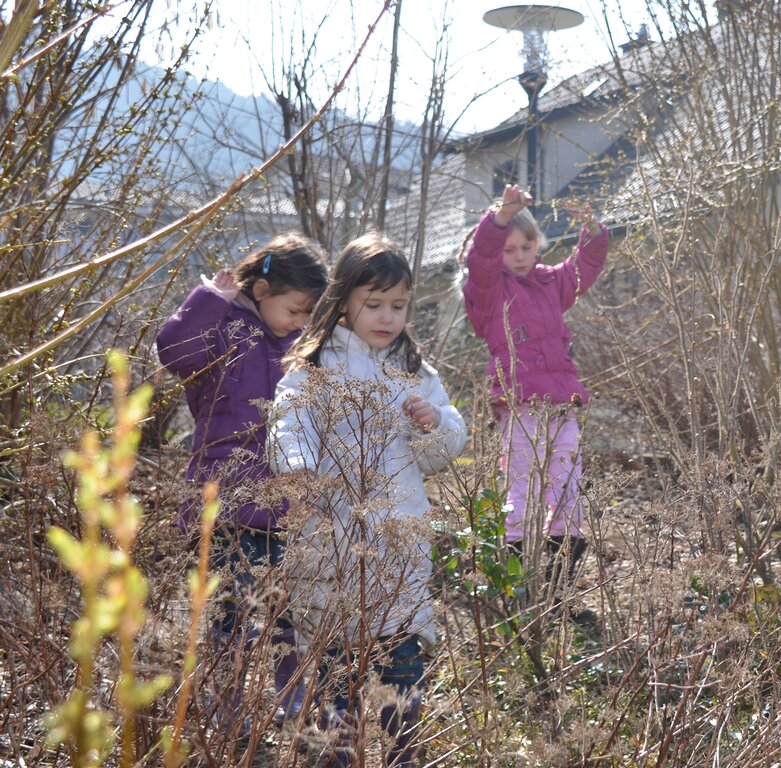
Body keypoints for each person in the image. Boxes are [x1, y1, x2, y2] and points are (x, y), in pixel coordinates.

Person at [269, 231, 467, 767]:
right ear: (341, 302)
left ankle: (404, 755)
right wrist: (300, 471)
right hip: (330, 544)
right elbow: (289, 422)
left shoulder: (412, 370)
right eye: (373, 303)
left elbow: (444, 446)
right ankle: (340, 757)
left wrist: (434, 424)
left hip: (398, 543)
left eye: (398, 305)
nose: (387, 317)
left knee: (403, 663)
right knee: (337, 670)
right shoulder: (315, 368)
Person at [155, 233, 328, 734]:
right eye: (295, 308)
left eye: (308, 314)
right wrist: (210, 300)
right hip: (227, 502)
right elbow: (174, 353)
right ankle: (225, 705)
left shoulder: (302, 347)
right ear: (262, 288)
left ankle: (292, 704)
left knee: (288, 614)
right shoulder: (224, 327)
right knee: (233, 616)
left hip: (288, 504)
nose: (299, 320)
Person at [462, 184, 609, 619]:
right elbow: (481, 258)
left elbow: (586, 265)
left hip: (561, 408)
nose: (519, 255)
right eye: (510, 249)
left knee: (568, 493)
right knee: (521, 494)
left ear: (538, 246)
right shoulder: (487, 293)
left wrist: (592, 229)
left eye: (527, 246)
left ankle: (558, 596)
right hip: (519, 408)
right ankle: (517, 594)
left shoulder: (552, 283)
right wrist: (500, 218)